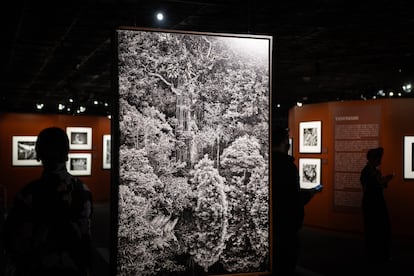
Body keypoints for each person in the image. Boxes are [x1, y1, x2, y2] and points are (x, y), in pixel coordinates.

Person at [2, 127, 93, 276]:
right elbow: (85, 238)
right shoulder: (84, 190)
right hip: (76, 269)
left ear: (38, 153)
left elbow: (13, 241)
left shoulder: (29, 194)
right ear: (66, 154)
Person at [272, 125, 318, 275]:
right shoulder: (287, 167)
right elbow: (292, 199)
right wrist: (309, 194)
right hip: (286, 226)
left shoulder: (268, 163)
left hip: (272, 225)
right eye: (287, 140)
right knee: (285, 264)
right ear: (284, 142)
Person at [360, 147, 394, 263]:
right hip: (371, 204)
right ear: (372, 159)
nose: (380, 161)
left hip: (378, 203)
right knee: (372, 230)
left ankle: (381, 254)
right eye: (378, 159)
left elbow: (379, 186)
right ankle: (373, 256)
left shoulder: (376, 171)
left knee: (383, 229)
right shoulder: (366, 172)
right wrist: (382, 182)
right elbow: (369, 187)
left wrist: (384, 181)